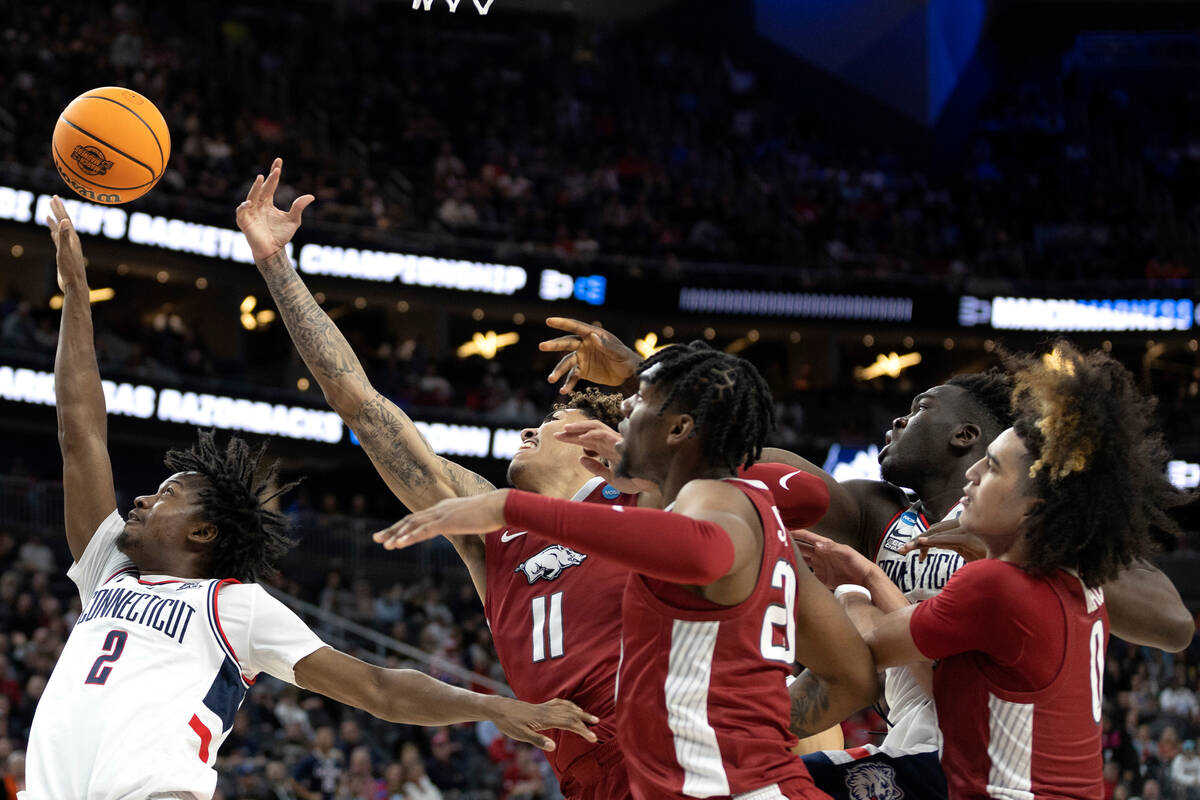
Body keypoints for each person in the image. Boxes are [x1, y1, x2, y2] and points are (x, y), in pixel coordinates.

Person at [239, 158, 832, 799]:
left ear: (589, 439)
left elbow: (739, 453)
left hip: (679, 747)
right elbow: (359, 400)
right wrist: (276, 264)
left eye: (551, 417)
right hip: (585, 777)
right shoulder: (489, 524)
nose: (529, 430)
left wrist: (638, 378)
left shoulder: (654, 494)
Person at [20, 197, 598, 800]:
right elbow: (80, 433)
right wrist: (76, 295)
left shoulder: (235, 608)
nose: (138, 501)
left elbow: (376, 688)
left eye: (165, 495)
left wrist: (491, 707)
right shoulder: (106, 571)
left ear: (204, 532)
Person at [540, 317, 1194, 799]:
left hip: (985, 765)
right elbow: (731, 461)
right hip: (919, 753)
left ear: (968, 437)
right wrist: (647, 383)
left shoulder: (1048, 546)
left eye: (917, 409)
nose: (893, 422)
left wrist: (1025, 556)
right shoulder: (881, 512)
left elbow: (1174, 623)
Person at [374, 342, 879, 799]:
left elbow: (703, 543)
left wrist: (516, 508)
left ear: (677, 430)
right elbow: (852, 676)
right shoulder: (744, 503)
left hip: (732, 782)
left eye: (636, 408)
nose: (624, 414)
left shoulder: (711, 505)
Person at [838, 342, 1191, 798]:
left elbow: (879, 645)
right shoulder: (1075, 588)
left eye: (993, 465)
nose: (974, 475)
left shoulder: (1015, 577)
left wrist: (852, 582)